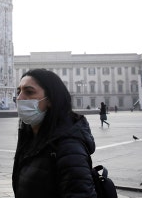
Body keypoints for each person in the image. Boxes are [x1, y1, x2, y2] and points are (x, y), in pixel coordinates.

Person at [13, 69, 96, 197]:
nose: (19, 98)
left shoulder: (69, 147)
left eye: (29, 92)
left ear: (50, 99)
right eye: (18, 92)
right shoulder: (31, 137)